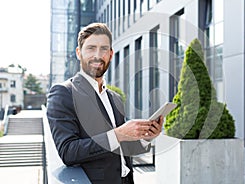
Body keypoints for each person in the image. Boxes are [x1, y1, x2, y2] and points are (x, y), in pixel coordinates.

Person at [46, 22, 163, 184]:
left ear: (111, 54)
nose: (98, 55)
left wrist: (146, 138)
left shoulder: (115, 98)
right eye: (91, 48)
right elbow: (68, 152)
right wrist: (119, 134)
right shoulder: (63, 93)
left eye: (104, 49)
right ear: (79, 53)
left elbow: (121, 148)